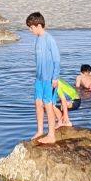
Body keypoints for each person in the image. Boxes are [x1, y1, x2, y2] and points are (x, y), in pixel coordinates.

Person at [26, 11, 65, 144]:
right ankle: (40, 130)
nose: (29, 30)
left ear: (38, 25)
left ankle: (52, 135)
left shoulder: (49, 39)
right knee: (38, 103)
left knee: (48, 105)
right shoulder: (37, 39)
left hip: (49, 78)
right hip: (39, 78)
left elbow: (57, 60)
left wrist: (55, 77)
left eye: (30, 27)